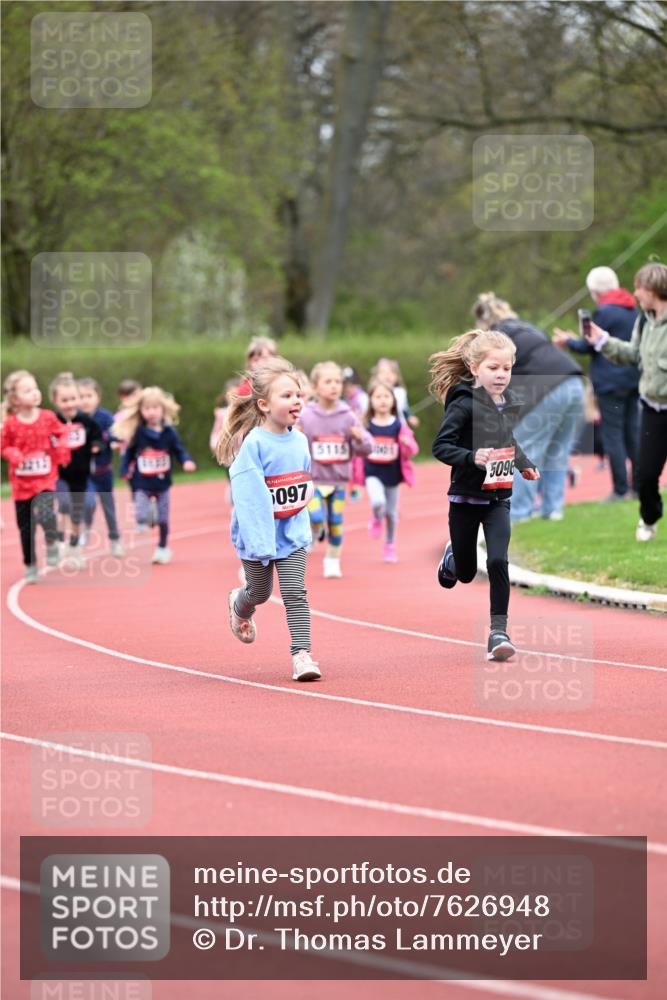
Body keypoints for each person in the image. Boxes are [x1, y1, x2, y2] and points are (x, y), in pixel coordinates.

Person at [430, 329, 539, 661]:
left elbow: (508, 440)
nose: (501, 375)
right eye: (494, 368)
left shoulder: (507, 403)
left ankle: (498, 632)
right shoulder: (463, 404)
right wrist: (471, 457)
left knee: (497, 561)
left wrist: (523, 464)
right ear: (474, 368)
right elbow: (441, 446)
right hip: (465, 499)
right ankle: (453, 558)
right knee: (465, 574)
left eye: (507, 368)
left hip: (497, 499)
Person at [216, 356, 320, 682]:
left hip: (292, 533)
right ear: (264, 404)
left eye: (298, 394)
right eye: (287, 395)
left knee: (295, 593)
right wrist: (260, 544)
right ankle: (239, 604)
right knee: (260, 593)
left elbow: (303, 482)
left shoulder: (300, 440)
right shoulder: (254, 445)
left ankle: (302, 655)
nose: (296, 401)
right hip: (256, 535)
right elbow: (248, 499)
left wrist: (308, 513)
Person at [472, 292, 583, 522]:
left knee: (524, 450)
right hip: (575, 383)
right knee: (557, 451)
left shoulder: (496, 337)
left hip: (549, 388)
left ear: (483, 321)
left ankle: (518, 515)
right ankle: (553, 511)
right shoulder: (527, 327)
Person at [584, 262, 667, 542]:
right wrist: (602, 340)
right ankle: (650, 517)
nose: (636, 293)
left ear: (653, 289)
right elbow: (632, 354)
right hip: (653, 409)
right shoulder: (644, 320)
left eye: (639, 288)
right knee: (645, 475)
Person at [553, 266, 639, 501]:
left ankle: (620, 490)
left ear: (594, 291)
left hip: (610, 383)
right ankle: (639, 487)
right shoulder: (633, 310)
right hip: (634, 380)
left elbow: (588, 345)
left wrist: (568, 341)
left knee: (613, 435)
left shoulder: (603, 312)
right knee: (633, 433)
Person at [297, 361, 373, 578]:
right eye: (328, 381)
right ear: (315, 387)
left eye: (338, 382)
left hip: (338, 481)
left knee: (336, 522)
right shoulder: (306, 416)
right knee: (316, 516)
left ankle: (332, 559)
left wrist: (359, 439)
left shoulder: (348, 415)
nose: (334, 386)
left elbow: (367, 448)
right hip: (313, 480)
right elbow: (292, 444)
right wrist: (296, 435)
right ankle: (314, 529)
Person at [1, 370, 70, 582]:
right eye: (27, 390)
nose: (34, 392)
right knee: (26, 527)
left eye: (35, 388)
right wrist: (13, 453)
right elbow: (3, 446)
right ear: (15, 399)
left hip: (45, 479)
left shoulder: (48, 417)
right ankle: (30, 564)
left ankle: (51, 541)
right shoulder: (11, 424)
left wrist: (62, 449)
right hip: (22, 485)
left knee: (47, 515)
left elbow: (63, 432)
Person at [114, 386, 196, 564]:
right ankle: (149, 514)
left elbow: (179, 450)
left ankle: (162, 547)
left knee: (164, 519)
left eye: (155, 408)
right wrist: (124, 469)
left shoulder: (169, 432)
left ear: (163, 409)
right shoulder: (138, 433)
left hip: (162, 483)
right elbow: (129, 453)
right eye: (147, 408)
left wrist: (186, 461)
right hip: (142, 482)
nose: (151, 412)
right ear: (140, 411)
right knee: (141, 516)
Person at [352, 378, 419, 562]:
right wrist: (358, 440)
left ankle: (389, 544)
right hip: (372, 472)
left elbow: (413, 450)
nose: (382, 400)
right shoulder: (366, 425)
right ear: (371, 401)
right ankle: (376, 517)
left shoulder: (399, 425)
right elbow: (358, 449)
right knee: (377, 502)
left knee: (391, 513)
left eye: (386, 396)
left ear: (393, 401)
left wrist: (407, 443)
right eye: (378, 396)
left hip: (393, 475)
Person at [50, 373, 104, 568]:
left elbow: (98, 437)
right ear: (55, 401)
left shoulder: (86, 421)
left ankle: (74, 548)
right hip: (60, 474)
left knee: (77, 513)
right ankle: (58, 542)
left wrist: (97, 446)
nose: (70, 404)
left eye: (73, 399)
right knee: (64, 504)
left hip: (81, 474)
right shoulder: (52, 421)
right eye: (64, 400)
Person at [77, 377, 124, 556]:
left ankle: (115, 540)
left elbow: (116, 434)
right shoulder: (75, 419)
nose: (85, 400)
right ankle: (85, 529)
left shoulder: (105, 417)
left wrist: (102, 441)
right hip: (84, 473)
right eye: (81, 396)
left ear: (98, 397)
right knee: (88, 503)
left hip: (103, 472)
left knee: (108, 508)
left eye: (89, 396)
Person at [372, 358, 420, 428]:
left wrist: (410, 417)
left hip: (400, 425)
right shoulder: (375, 391)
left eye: (391, 372)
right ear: (377, 375)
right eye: (383, 372)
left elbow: (405, 408)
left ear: (397, 376)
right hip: (380, 425)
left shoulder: (401, 392)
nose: (387, 375)